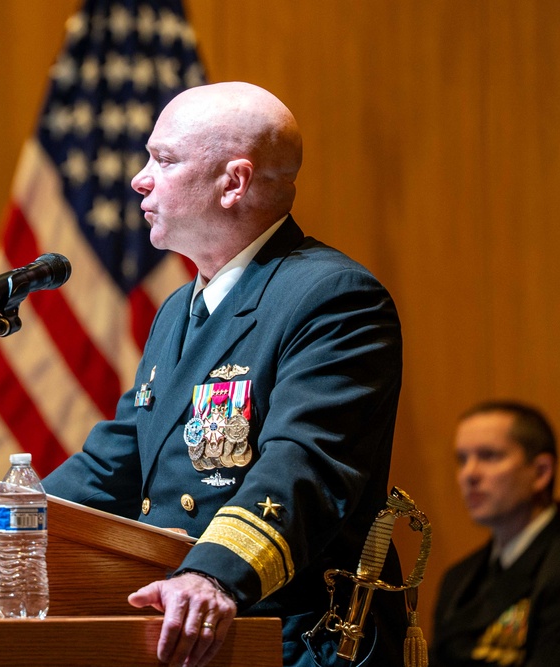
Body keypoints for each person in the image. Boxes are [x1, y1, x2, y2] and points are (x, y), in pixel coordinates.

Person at [43, 81, 406, 667]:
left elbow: (304, 467)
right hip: (187, 622)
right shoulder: (179, 309)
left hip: (287, 633)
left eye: (163, 160)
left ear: (234, 182)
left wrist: (213, 575)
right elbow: (117, 463)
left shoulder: (333, 298)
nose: (139, 179)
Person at [432, 401, 560, 666]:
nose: (469, 474)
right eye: (462, 459)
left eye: (489, 456)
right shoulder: (457, 579)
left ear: (541, 472)